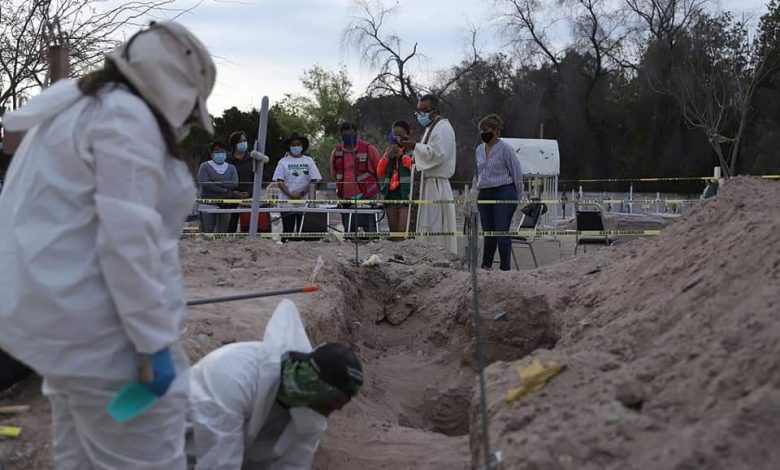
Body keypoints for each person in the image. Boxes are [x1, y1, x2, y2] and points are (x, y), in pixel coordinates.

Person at [0, 21, 215, 469]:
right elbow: (127, 243)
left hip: (68, 342)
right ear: (177, 89)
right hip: (113, 351)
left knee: (79, 460)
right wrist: (152, 343)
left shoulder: (76, 107)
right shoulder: (126, 118)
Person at [186, 299, 363, 469]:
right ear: (315, 389)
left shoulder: (309, 408)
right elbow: (218, 462)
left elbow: (294, 463)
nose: (334, 411)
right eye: (332, 403)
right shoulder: (234, 379)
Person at [398, 94, 458, 254]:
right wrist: (414, 148)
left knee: (434, 227)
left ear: (435, 110)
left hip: (435, 186)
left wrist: (415, 146)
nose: (421, 114)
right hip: (425, 186)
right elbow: (425, 152)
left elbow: (437, 154)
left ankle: (435, 258)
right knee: (424, 227)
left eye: (424, 110)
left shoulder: (443, 128)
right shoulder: (430, 129)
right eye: (419, 110)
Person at [475, 114, 524, 270]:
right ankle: (486, 266)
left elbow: (517, 173)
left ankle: (505, 269)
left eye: (487, 130)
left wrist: (518, 196)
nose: (484, 134)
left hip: (504, 191)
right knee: (488, 233)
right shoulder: (479, 150)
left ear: (496, 131)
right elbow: (479, 172)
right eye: (482, 131)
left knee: (501, 231)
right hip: (485, 193)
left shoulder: (506, 149)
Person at [330, 122, 381, 234]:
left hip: (367, 195)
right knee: (349, 229)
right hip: (345, 197)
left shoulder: (368, 149)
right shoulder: (336, 152)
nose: (348, 137)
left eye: (351, 135)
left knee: (370, 228)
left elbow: (379, 171)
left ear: (356, 134)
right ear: (341, 135)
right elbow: (334, 173)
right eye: (345, 135)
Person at [272, 132, 322, 241]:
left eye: (298, 144)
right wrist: (290, 195)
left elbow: (314, 180)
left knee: (303, 231)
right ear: (289, 146)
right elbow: (279, 181)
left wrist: (301, 193)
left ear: (302, 145)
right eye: (293, 145)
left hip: (304, 202)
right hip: (287, 203)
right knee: (287, 230)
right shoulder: (283, 162)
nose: (296, 147)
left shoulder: (309, 160)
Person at [377, 120, 414, 240]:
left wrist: (402, 156)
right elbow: (380, 172)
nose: (397, 139)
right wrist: (386, 158)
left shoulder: (412, 151)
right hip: (391, 195)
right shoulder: (389, 152)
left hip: (405, 195)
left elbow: (415, 168)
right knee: (394, 234)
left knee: (402, 233)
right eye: (394, 135)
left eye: (400, 135)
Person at [198, 141, 239, 233]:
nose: (220, 154)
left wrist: (214, 181)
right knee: (207, 232)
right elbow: (205, 183)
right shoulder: (204, 166)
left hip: (225, 204)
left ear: (226, 153)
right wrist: (223, 189)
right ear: (212, 154)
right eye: (217, 151)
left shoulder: (231, 168)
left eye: (222, 151)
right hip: (208, 203)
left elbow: (234, 183)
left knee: (223, 232)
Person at [226, 131, 252, 233]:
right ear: (234, 143)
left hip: (248, 199)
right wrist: (231, 192)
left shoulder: (252, 159)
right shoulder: (226, 159)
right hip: (230, 199)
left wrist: (248, 193)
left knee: (248, 230)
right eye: (240, 141)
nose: (243, 143)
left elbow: (256, 178)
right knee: (229, 228)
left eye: (244, 140)